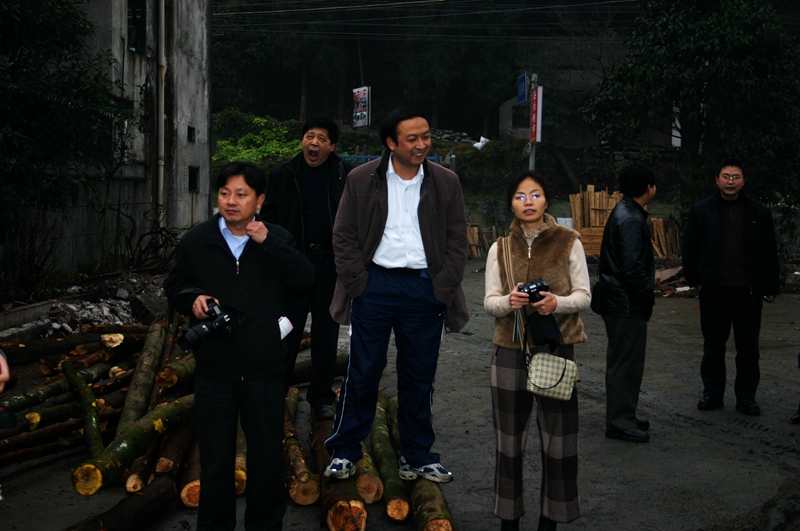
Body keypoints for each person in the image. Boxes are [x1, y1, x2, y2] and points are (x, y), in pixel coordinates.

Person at [165, 161, 313, 531]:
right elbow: (175, 284)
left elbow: (304, 279)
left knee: (266, 458)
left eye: (241, 194)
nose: (231, 201)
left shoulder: (277, 238)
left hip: (265, 369)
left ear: (259, 201)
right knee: (215, 460)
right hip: (214, 370)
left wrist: (270, 243)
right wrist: (193, 298)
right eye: (224, 193)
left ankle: (265, 525)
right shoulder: (198, 241)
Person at [324, 107, 469, 482]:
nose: (422, 145)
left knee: (420, 376)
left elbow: (458, 239)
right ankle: (345, 450)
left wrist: (442, 287)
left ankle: (417, 455)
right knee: (362, 371)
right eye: (412, 138)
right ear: (391, 142)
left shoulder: (445, 182)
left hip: (424, 288)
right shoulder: (361, 179)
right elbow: (343, 235)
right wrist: (359, 283)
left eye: (426, 136)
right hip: (375, 286)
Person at [484, 172, 590, 531]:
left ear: (546, 200)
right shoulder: (499, 247)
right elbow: (489, 301)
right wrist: (509, 302)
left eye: (535, 194)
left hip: (555, 350)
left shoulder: (569, 241)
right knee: (508, 442)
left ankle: (552, 519)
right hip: (509, 350)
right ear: (511, 204)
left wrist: (557, 302)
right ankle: (508, 519)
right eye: (519, 196)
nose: (528, 202)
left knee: (559, 442)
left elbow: (584, 296)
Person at [263, 115, 354, 420]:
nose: (314, 143)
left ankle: (321, 398)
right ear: (302, 140)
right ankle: (276, 394)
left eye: (321, 139)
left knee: (326, 335)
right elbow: (269, 219)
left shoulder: (345, 174)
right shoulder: (283, 174)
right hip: (294, 263)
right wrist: (281, 254)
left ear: (332, 146)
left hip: (331, 264)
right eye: (309, 136)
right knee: (286, 332)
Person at [682, 158, 780, 416]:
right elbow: (690, 248)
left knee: (748, 349)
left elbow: (769, 251)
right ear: (717, 180)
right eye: (726, 176)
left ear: (743, 181)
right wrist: (696, 281)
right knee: (713, 347)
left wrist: (771, 285)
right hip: (714, 291)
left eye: (736, 177)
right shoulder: (702, 210)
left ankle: (746, 397)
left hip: (748, 292)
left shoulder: (758, 212)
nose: (730, 181)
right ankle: (712, 394)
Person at [591, 163, 656, 443]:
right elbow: (632, 269)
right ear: (649, 188)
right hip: (625, 303)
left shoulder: (626, 211)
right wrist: (646, 294)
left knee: (625, 361)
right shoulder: (630, 218)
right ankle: (620, 421)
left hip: (620, 300)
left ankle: (625, 413)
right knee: (625, 363)